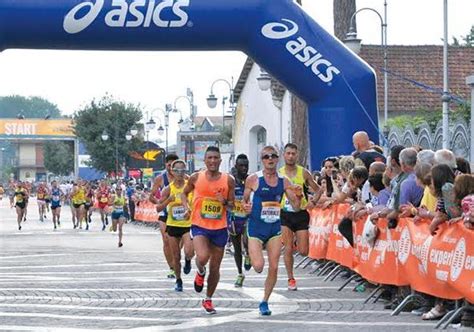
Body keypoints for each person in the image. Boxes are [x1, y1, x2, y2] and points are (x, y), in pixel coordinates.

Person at [243, 145, 302, 316]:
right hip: (255, 228)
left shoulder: (284, 181)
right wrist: (245, 207)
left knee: (274, 267)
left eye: (273, 156)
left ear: (277, 159)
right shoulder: (253, 179)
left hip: (274, 228)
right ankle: (249, 252)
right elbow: (243, 202)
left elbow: (296, 207)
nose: (270, 159)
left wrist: (298, 195)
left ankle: (265, 301)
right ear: (262, 160)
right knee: (259, 267)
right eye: (266, 156)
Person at [181, 146, 235, 315]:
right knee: (203, 256)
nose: (212, 161)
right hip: (199, 225)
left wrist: (224, 201)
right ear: (205, 161)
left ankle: (208, 299)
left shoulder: (229, 180)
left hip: (220, 228)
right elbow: (184, 194)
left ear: (220, 161)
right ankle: (200, 271)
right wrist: (186, 207)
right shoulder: (196, 177)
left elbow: (233, 205)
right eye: (209, 158)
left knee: (216, 267)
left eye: (215, 158)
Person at [279, 143, 321, 291]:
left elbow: (318, 189)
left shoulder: (303, 173)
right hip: (285, 214)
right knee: (288, 247)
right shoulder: (279, 173)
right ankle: (291, 278)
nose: (290, 156)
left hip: (301, 213)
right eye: (288, 153)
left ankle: (296, 240)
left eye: (293, 154)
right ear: (284, 155)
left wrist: (313, 202)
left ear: (297, 155)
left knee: (303, 251)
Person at [156, 160, 194, 292]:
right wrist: (168, 200)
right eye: (176, 170)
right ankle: (178, 280)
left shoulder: (190, 187)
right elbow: (158, 207)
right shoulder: (168, 189)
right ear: (172, 171)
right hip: (172, 225)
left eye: (182, 170)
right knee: (176, 256)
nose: (179, 173)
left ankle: (188, 260)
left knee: (189, 251)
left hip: (187, 225)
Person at [150, 153, 180, 279]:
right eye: (168, 165)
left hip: (180, 215)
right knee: (166, 240)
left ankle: (177, 260)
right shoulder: (160, 179)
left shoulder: (185, 178)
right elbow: (151, 196)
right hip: (165, 214)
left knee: (177, 243)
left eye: (173, 165)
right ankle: (172, 268)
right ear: (166, 165)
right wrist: (160, 203)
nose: (170, 167)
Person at [228, 154, 251, 287]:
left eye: (246, 166)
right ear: (236, 166)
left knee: (248, 239)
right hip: (234, 217)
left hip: (248, 218)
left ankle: (248, 253)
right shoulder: (231, 181)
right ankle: (240, 273)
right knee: (237, 248)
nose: (244, 168)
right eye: (241, 165)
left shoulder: (251, 179)